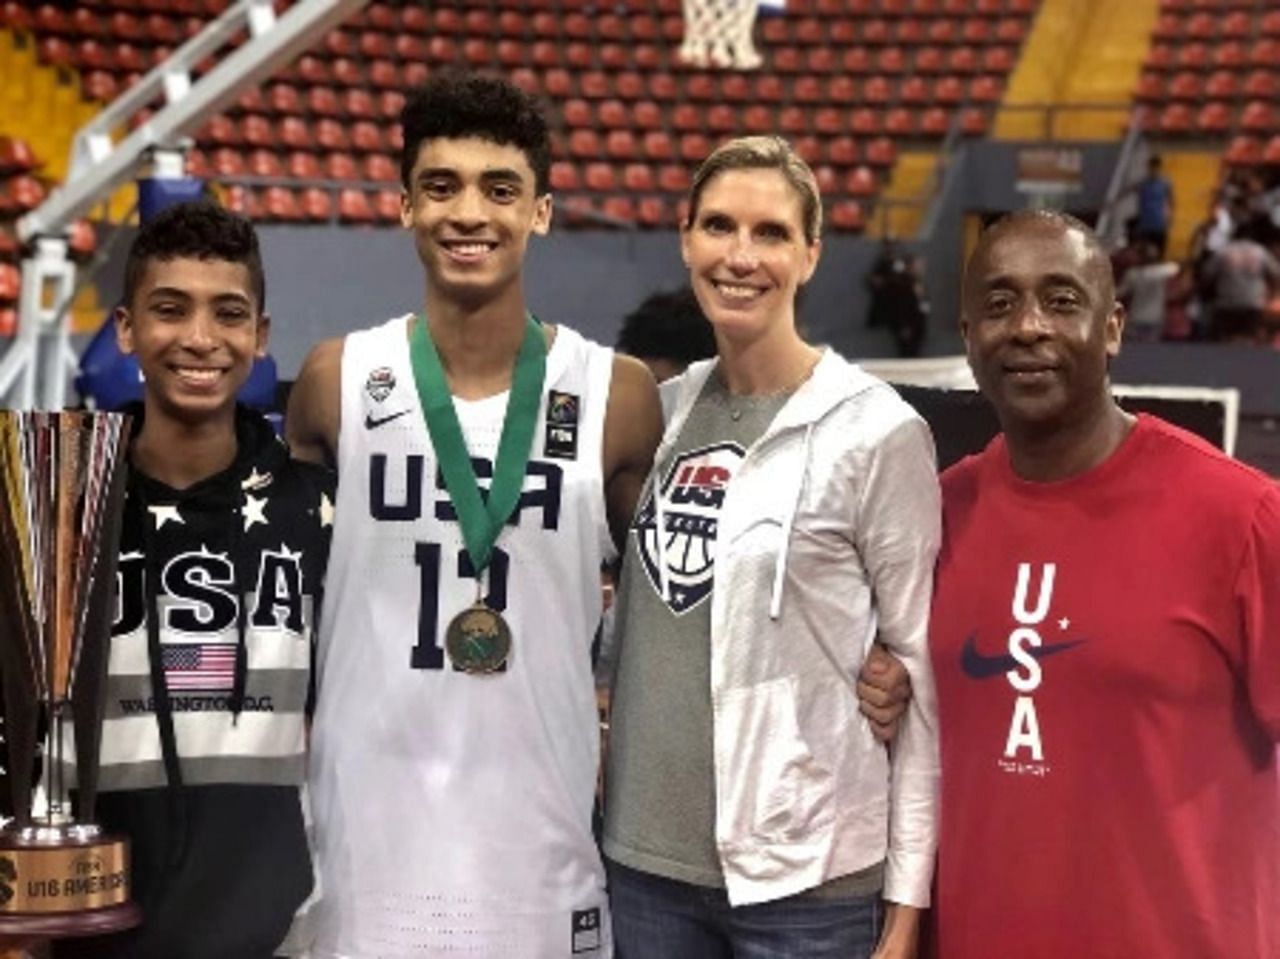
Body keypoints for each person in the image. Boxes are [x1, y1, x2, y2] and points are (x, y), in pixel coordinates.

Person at [283, 72, 662, 957]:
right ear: (403, 204)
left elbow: (680, 599)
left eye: (501, 189)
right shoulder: (336, 383)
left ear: (542, 212)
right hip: (363, 839)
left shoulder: (618, 395)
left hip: (539, 842)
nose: (470, 214)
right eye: (441, 185)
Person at [602, 136, 941, 959]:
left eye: (772, 233)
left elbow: (918, 674)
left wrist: (905, 909)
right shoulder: (661, 411)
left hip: (807, 883)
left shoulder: (877, 431)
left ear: (812, 253)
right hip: (643, 868)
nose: (741, 256)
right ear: (686, 238)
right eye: (719, 226)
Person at [927, 210, 1279, 957]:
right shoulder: (934, 514)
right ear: (966, 337)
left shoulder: (1241, 516)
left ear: (1113, 326)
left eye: (1060, 299)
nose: (1026, 326)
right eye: (998, 303)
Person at [54, 201, 335, 959]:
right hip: (84, 926)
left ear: (261, 337)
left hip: (268, 932)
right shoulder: (60, 503)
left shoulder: (316, 506)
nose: (201, 338)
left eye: (229, 313)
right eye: (170, 309)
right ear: (125, 328)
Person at [1134, 154, 1173, 256]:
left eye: (1155, 168)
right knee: (1143, 255)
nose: (1153, 170)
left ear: (1159, 168)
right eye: (1151, 167)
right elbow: (1129, 192)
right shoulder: (1142, 184)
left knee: (1160, 254)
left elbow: (1171, 201)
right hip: (1145, 225)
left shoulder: (1165, 184)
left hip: (1159, 224)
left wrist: (1169, 218)